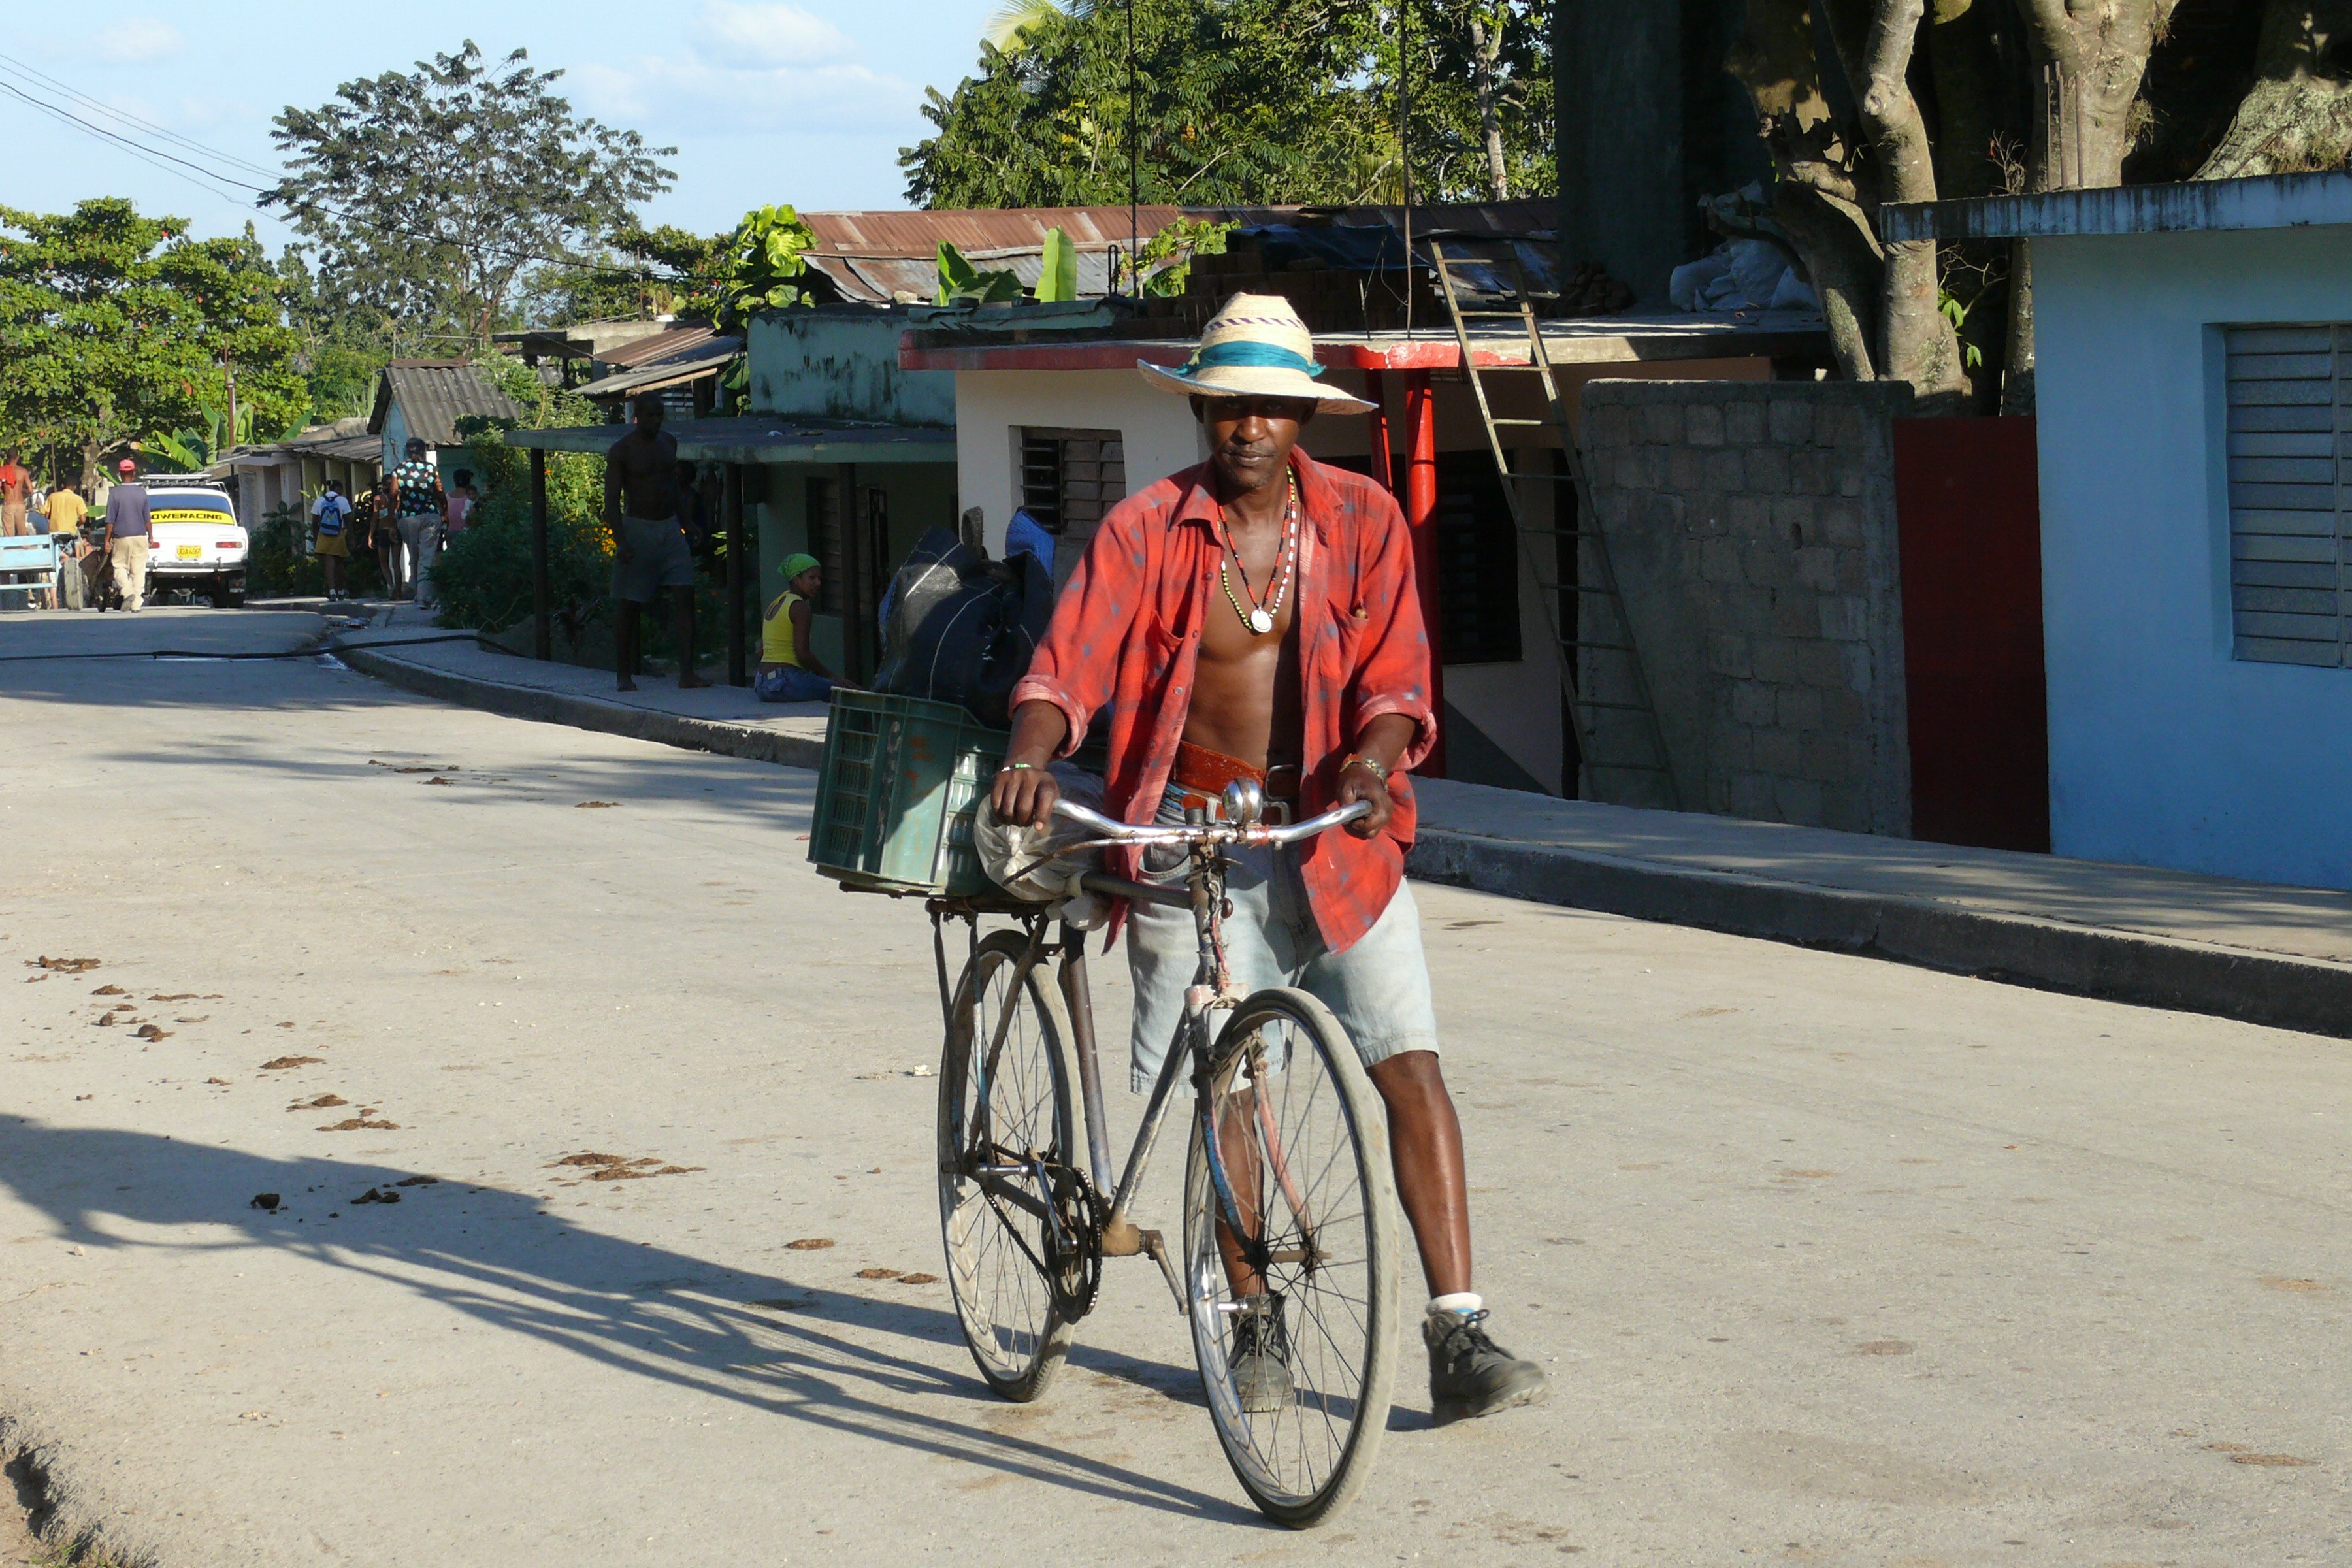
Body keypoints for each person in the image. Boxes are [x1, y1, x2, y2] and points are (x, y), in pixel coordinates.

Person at [990, 293, 1548, 1428]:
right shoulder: (1145, 529)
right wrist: (1033, 756)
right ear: (1201, 406)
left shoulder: (1363, 518)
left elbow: (1399, 675)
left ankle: (1458, 1331)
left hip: (1334, 835)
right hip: (1192, 834)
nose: (1249, 425)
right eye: (1230, 404)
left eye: (1273, 408)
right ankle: (1254, 1328)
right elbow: (1067, 670)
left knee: (1409, 1062)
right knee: (1231, 1081)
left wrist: (1371, 765)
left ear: (1302, 418)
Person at [604, 393, 708, 693]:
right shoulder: (622, 450)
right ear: (637, 415)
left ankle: (687, 672)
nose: (655, 421)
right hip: (638, 529)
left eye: (659, 415)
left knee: (685, 595)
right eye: (650, 415)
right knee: (630, 604)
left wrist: (687, 522)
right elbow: (612, 500)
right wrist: (621, 541)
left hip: (670, 529)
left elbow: (672, 487)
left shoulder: (669, 443)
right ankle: (624, 675)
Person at [755, 554, 838, 704]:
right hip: (784, 681)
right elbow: (803, 654)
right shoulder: (800, 607)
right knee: (845, 693)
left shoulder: (776, 603)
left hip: (761, 683)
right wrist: (831, 676)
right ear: (796, 580)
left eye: (820, 578)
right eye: (812, 578)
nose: (818, 583)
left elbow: (761, 651)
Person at [391, 438, 446, 608]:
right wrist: (445, 511)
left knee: (414, 555)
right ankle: (424, 597)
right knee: (427, 556)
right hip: (429, 515)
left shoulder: (398, 471)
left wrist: (394, 520)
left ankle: (418, 592)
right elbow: (439, 492)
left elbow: (393, 495)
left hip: (407, 518)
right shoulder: (430, 469)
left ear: (407, 451)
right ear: (423, 451)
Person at [99, 458, 151, 613]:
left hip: (121, 538)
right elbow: (147, 518)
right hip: (141, 537)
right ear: (133, 473)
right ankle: (136, 605)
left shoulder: (114, 494)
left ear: (120, 474)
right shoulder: (142, 493)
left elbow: (110, 521)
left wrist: (107, 540)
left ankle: (128, 593)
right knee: (138, 570)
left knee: (119, 567)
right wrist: (151, 536)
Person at [311, 480, 353, 601]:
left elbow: (314, 522)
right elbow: (348, 520)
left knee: (329, 564)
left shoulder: (319, 501)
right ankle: (340, 590)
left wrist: (315, 539)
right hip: (339, 533)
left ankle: (332, 591)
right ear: (339, 488)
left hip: (323, 534)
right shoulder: (342, 501)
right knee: (339, 564)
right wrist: (351, 538)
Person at [368, 473, 403, 600]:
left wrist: (371, 535)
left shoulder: (379, 499)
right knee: (396, 564)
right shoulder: (398, 498)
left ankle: (391, 585)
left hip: (384, 531)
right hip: (395, 530)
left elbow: (375, 518)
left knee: (384, 562)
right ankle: (398, 593)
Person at [0, 451, 29, 537]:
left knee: (9, 535)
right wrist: (20, 489)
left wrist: (4, 489)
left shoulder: (2, 471)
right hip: (20, 504)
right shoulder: (23, 471)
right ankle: (25, 548)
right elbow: (30, 490)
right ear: (17, 458)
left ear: (8, 458)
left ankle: (9, 549)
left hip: (8, 504)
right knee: (22, 533)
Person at [444, 470, 478, 537]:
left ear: (454, 482)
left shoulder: (447, 497)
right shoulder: (473, 498)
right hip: (468, 534)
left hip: (450, 533)